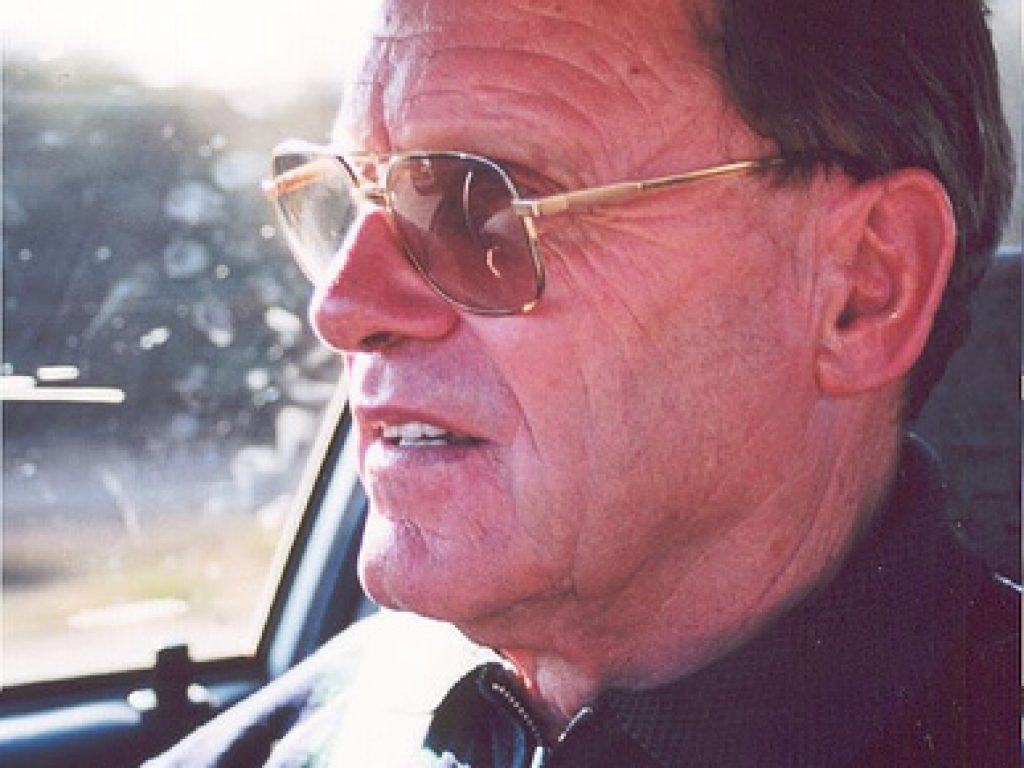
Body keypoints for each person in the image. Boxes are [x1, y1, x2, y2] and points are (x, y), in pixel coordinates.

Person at [147, 0, 1018, 765]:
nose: (342, 308)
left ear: (863, 291)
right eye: (346, 202)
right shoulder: (305, 733)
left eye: (479, 207)